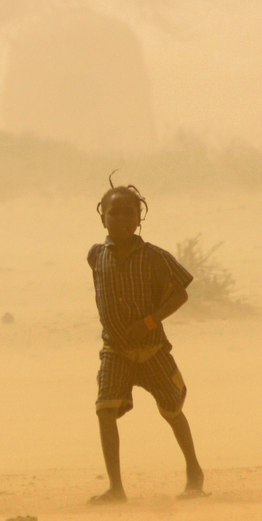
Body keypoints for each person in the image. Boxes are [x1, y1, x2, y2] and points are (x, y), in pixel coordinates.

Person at [87, 181, 206, 504]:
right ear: (102, 218)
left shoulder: (155, 257)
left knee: (172, 411)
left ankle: (194, 470)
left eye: (129, 213)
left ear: (140, 218)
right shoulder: (96, 255)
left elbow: (181, 293)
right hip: (115, 350)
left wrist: (149, 322)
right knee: (104, 410)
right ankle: (116, 488)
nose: (122, 219)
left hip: (153, 349)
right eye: (114, 213)